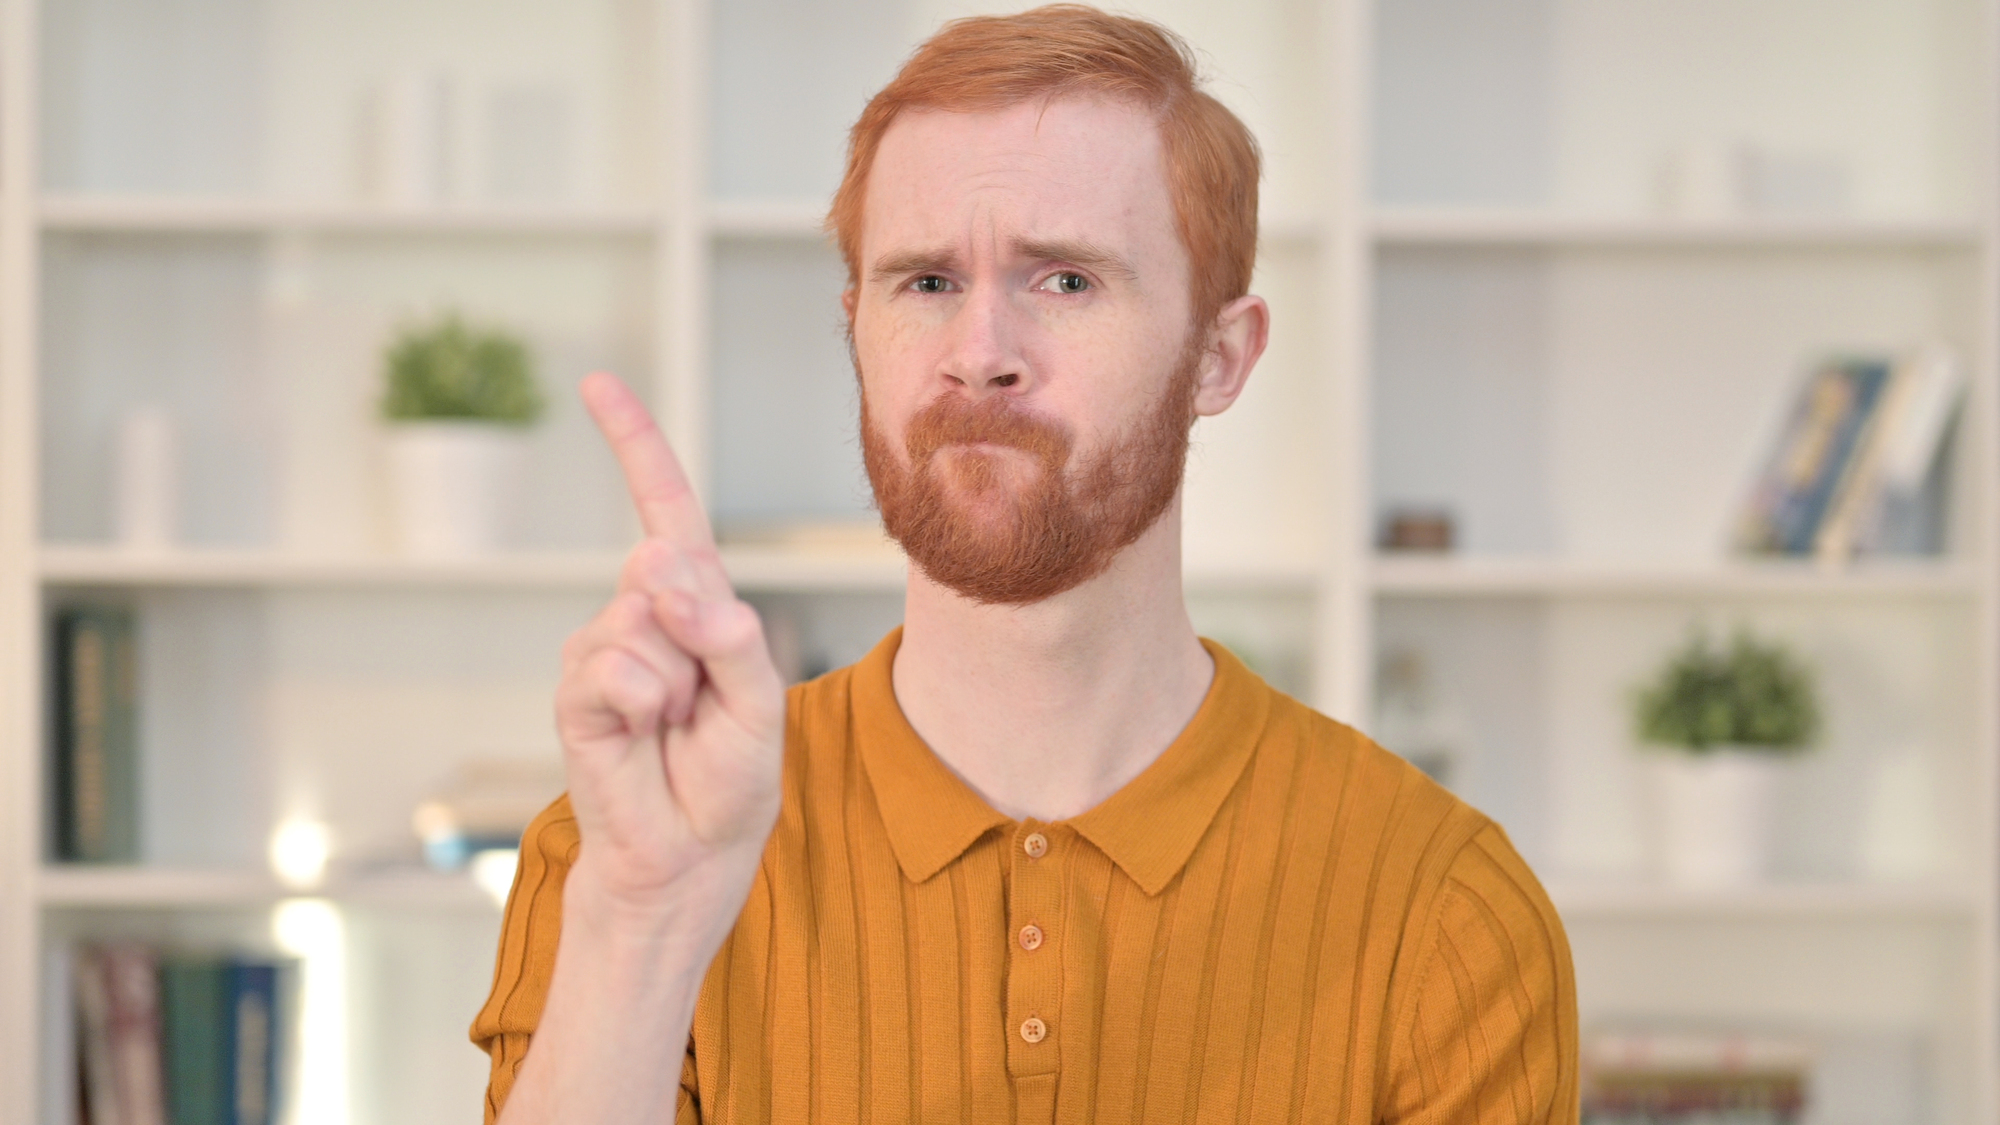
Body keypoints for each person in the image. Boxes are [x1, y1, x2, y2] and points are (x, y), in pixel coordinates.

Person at [472, 6, 1577, 1123]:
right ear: (855, 331)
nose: (980, 356)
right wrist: (645, 927)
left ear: (1219, 356)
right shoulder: (622, 863)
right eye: (927, 284)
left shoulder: (1445, 911)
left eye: (1065, 282)